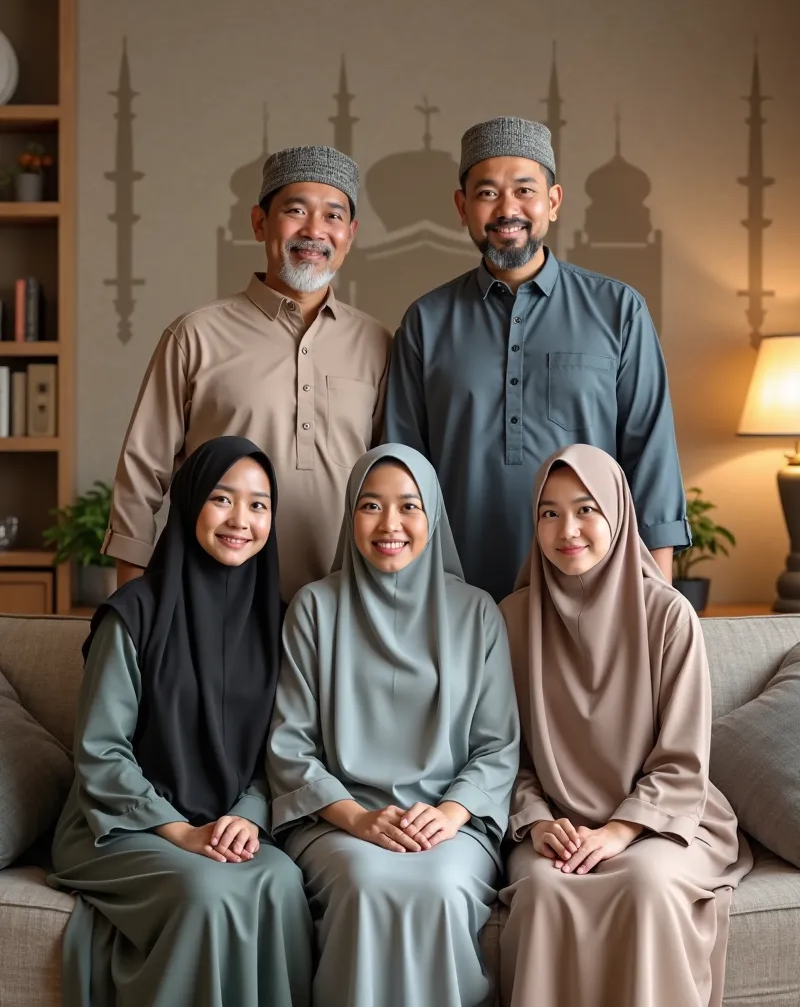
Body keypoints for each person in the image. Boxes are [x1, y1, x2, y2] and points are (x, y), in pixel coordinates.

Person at [48, 437, 313, 1007]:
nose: (241, 520)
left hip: (224, 825)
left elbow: (283, 749)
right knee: (206, 892)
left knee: (284, 883)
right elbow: (102, 752)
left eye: (259, 504)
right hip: (120, 825)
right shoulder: (133, 614)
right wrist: (180, 831)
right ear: (191, 502)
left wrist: (247, 815)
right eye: (223, 499)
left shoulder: (281, 621)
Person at [384, 115, 688, 602]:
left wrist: (657, 601)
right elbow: (401, 470)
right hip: (454, 594)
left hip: (593, 589)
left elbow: (650, 457)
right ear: (462, 208)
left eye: (525, 190)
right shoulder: (426, 320)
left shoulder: (618, 310)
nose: (508, 209)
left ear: (554, 201)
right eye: (487, 193)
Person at [497, 444, 752, 1007]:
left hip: (664, 821)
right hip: (556, 826)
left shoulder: (668, 615)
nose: (569, 529)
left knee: (646, 884)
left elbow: (684, 760)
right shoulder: (511, 620)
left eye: (587, 509)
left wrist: (619, 831)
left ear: (618, 513)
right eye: (550, 512)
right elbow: (503, 755)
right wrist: (538, 823)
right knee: (541, 889)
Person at [267, 443, 520, 1007]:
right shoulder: (312, 609)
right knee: (364, 884)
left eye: (409, 506)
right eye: (370, 506)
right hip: (337, 821)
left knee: (438, 885)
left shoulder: (478, 613)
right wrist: (357, 818)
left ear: (432, 516)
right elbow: (290, 745)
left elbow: (497, 746)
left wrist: (448, 815)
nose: (390, 525)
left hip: (449, 823)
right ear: (350, 516)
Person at [104, 144, 391, 602]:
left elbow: (391, 482)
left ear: (350, 234)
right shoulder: (194, 335)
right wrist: (130, 612)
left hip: (342, 610)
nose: (314, 231)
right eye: (295, 211)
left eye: (333, 216)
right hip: (214, 602)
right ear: (259, 222)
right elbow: (140, 476)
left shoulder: (378, 344)